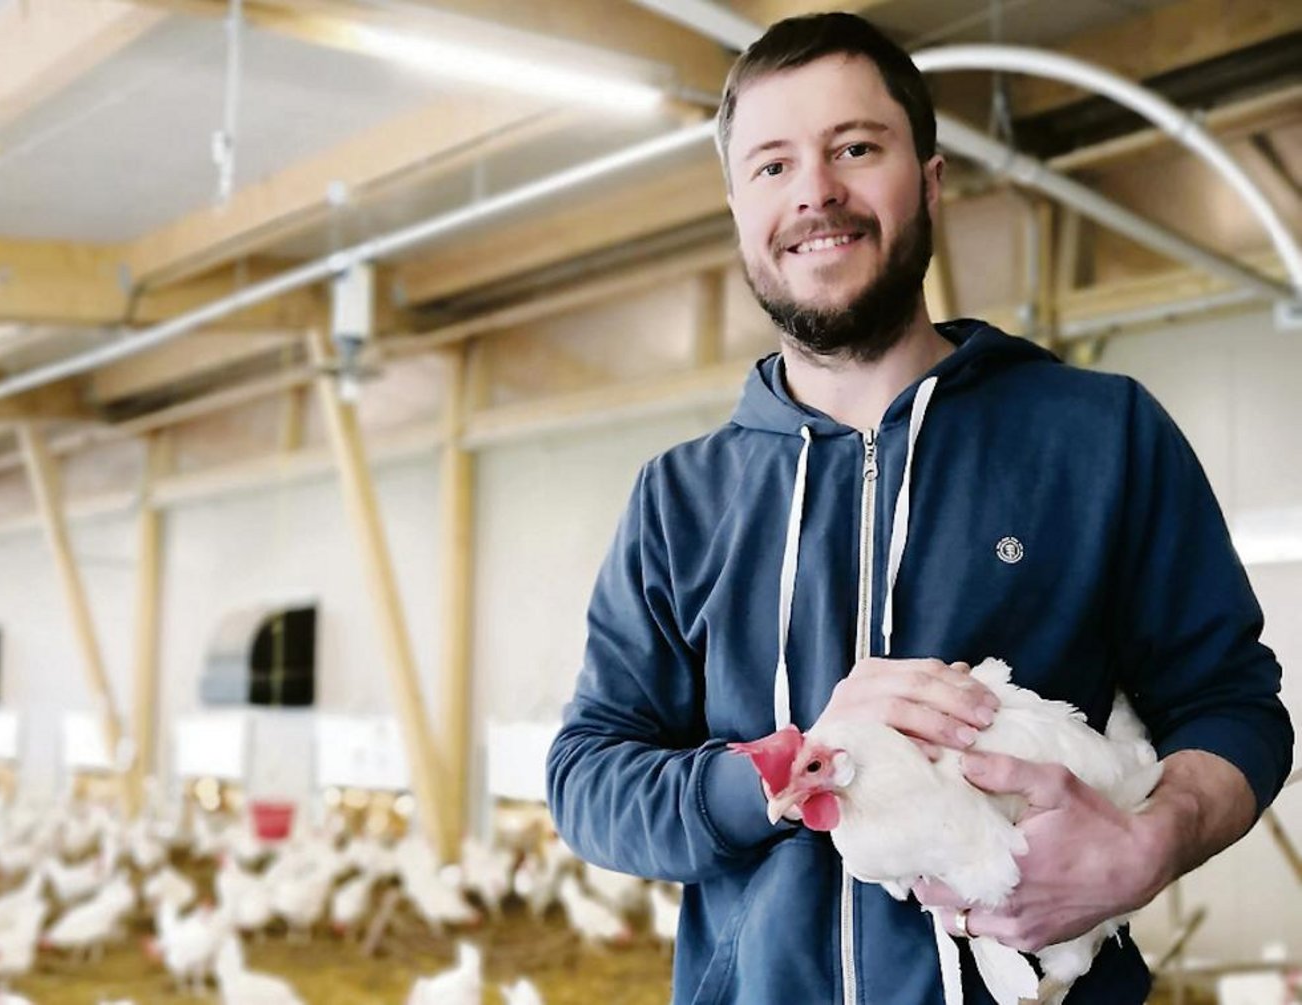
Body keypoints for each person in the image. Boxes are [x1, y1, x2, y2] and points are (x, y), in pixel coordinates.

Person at [546, 12, 1293, 1005]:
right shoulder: (678, 499)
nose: (814, 190)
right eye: (771, 165)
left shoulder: (1096, 435)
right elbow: (588, 780)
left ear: (928, 180)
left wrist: (1147, 846)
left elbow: (1232, 706)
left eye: (854, 148)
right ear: (736, 209)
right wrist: (791, 765)